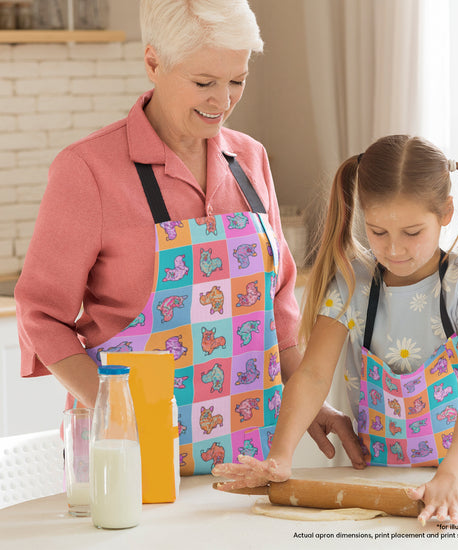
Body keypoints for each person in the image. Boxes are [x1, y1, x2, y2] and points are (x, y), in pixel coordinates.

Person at [15, 0, 361, 475]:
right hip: (130, 455)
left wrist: (307, 401)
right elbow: (41, 314)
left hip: (248, 458)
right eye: (204, 83)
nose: (223, 100)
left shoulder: (250, 160)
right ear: (154, 62)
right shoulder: (88, 170)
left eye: (237, 80)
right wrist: (114, 410)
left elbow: (276, 302)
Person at [212, 134, 458, 522]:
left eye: (412, 232)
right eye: (378, 232)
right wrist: (280, 456)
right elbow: (312, 376)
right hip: (381, 481)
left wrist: (451, 475)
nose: (394, 249)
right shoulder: (353, 284)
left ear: (446, 212)